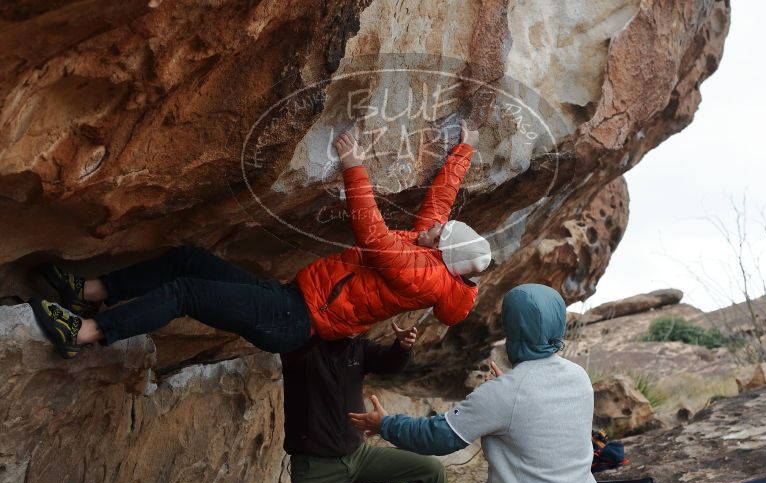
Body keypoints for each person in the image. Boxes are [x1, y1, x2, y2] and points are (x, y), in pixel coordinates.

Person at [29, 121, 492, 359]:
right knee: (185, 260)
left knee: (185, 293)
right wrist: (465, 146)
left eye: (439, 234)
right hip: (291, 298)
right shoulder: (433, 251)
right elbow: (440, 203)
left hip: (294, 320)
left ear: (441, 253)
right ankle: (88, 292)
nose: (432, 226)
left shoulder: (421, 274)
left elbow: (370, 231)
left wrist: (354, 163)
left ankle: (86, 333)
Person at [349, 284, 600, 483]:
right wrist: (506, 391)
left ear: (512, 326)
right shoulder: (578, 376)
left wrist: (384, 424)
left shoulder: (506, 393)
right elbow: (542, 417)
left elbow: (439, 437)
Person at [282, 321, 451, 483]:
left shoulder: (358, 347)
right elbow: (293, 340)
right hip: (315, 469)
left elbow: (388, 363)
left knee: (432, 472)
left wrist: (402, 347)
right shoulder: (303, 350)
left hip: (360, 456)